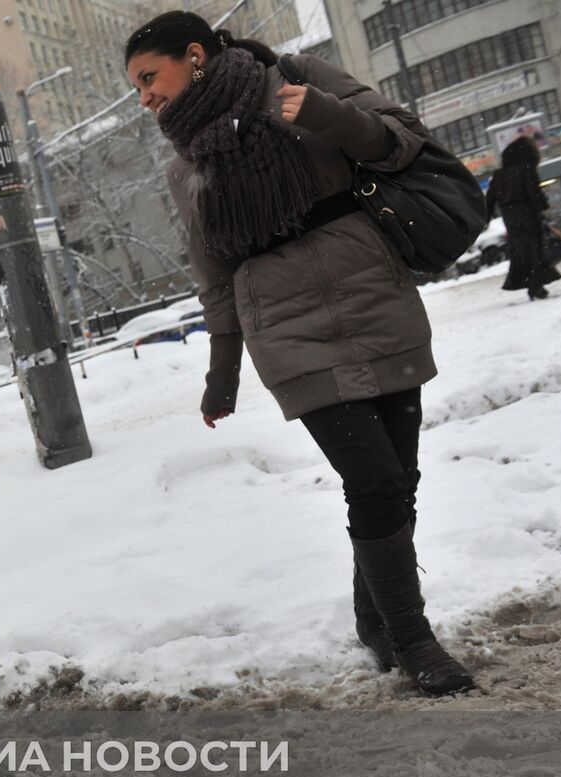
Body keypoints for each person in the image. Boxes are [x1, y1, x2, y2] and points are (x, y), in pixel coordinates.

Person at [125, 12, 474, 695]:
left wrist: (327, 116)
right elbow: (213, 274)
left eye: (148, 78)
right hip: (286, 330)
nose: (144, 97)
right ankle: (413, 639)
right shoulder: (185, 164)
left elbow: (401, 141)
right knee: (373, 479)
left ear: (193, 56)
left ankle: (375, 620)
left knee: (397, 478)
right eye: (136, 87)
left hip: (373, 297)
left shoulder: (296, 79)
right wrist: (222, 373)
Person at [485, 135, 561, 300]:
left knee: (520, 252)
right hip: (528, 213)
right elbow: (534, 192)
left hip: (509, 217)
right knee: (535, 250)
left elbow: (489, 199)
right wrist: (543, 207)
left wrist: (486, 217)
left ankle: (529, 283)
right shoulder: (526, 169)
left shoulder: (499, 174)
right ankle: (536, 286)